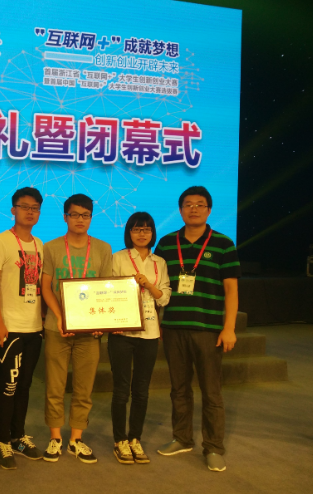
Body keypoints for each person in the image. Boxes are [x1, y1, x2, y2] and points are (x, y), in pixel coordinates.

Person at [154, 186, 241, 472]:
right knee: (178, 389)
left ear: (209, 210)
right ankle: (182, 438)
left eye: (200, 204)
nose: (194, 209)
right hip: (174, 327)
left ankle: (213, 447)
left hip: (208, 329)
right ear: (180, 210)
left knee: (211, 391)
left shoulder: (223, 243)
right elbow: (158, 287)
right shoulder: (166, 243)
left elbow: (231, 290)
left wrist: (229, 328)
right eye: (188, 204)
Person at [39, 193, 112, 464]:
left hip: (89, 331)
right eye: (74, 214)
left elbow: (105, 288)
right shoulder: (51, 247)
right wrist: (59, 317)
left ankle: (76, 439)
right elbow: (46, 287)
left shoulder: (103, 248)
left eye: (85, 215)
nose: (80, 219)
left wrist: (100, 323)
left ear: (91, 218)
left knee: (84, 388)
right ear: (65, 217)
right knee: (55, 386)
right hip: (56, 328)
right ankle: (55, 438)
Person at [0, 187, 45, 470]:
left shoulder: (40, 244)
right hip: (9, 328)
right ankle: (2, 441)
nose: (30, 212)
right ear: (13, 210)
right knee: (8, 386)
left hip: (34, 327)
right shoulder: (0, 241)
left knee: (25, 386)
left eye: (35, 208)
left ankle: (18, 436)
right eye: (24, 206)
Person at [109, 212, 171, 464]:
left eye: (146, 229)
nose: (142, 233)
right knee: (121, 389)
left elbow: (164, 297)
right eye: (136, 229)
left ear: (152, 233)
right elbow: (109, 291)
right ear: (129, 233)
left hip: (150, 332)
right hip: (122, 332)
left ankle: (135, 438)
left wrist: (148, 285)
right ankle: (120, 440)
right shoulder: (118, 258)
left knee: (142, 390)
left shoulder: (160, 262)